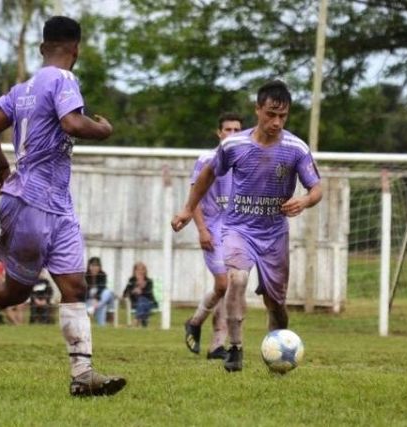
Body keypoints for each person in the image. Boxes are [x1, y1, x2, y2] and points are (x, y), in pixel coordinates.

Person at [0, 16, 125, 397]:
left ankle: (82, 375)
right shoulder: (64, 79)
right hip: (34, 200)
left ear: (41, 48)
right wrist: (103, 128)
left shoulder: (22, 89)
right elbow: (72, 123)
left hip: (53, 202)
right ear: (77, 49)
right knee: (17, 290)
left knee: (72, 285)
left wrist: (2, 167)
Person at [172, 80, 323, 372]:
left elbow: (317, 189)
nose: (276, 122)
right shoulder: (234, 145)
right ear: (257, 110)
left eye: (283, 116)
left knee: (276, 304)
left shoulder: (295, 148)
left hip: (274, 233)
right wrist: (188, 209)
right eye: (270, 114)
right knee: (236, 279)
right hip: (238, 228)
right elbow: (206, 176)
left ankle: (275, 353)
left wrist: (304, 201)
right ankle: (235, 349)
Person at [183, 112, 242, 360]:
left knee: (233, 287)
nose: (232, 134)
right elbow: (194, 196)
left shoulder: (245, 161)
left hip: (236, 231)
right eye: (227, 130)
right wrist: (202, 230)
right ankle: (195, 322)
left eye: (237, 130)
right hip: (212, 229)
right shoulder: (207, 159)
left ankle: (216, 344)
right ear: (219, 133)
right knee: (223, 284)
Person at [123, 262, 157, 327]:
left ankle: (136, 320)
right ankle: (143, 320)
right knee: (141, 302)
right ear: (134, 271)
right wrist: (133, 290)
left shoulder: (149, 281)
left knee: (142, 300)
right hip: (135, 304)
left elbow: (149, 294)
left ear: (145, 271)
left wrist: (142, 290)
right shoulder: (131, 280)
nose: (140, 271)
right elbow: (125, 294)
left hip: (149, 303)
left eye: (142, 269)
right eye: (138, 270)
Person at [85, 257, 114, 326]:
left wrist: (96, 299)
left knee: (107, 292)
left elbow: (102, 288)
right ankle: (102, 326)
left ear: (99, 267)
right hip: (90, 301)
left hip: (100, 299)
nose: (95, 268)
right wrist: (92, 300)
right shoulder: (85, 276)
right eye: (93, 265)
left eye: (97, 265)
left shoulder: (102, 275)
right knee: (102, 306)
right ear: (89, 266)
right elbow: (85, 291)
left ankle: (93, 309)